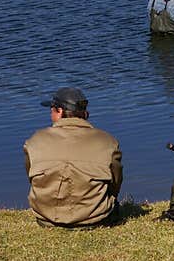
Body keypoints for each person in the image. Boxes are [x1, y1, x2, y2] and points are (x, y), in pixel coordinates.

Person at [23, 87, 123, 227]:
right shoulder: (107, 141)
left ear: (60, 111)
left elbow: (31, 178)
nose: (50, 114)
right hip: (96, 217)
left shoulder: (35, 140)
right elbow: (115, 183)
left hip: (46, 218)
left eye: (51, 110)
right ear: (84, 113)